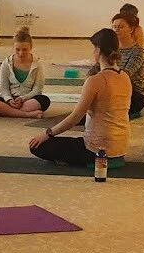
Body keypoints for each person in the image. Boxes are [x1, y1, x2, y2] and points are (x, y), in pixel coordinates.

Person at [28, 29, 130, 166]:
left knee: (37, 146)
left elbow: (75, 118)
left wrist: (47, 133)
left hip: (95, 149)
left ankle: (73, 161)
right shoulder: (125, 76)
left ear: (98, 50)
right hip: (121, 147)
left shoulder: (95, 80)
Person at [0, 27, 50, 118]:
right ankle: (26, 114)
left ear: (31, 48)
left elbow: (37, 89)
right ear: (13, 48)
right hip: (10, 101)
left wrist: (22, 98)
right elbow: (3, 88)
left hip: (28, 100)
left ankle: (7, 111)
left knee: (44, 100)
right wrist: (9, 100)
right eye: (17, 50)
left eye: (25, 50)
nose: (21, 53)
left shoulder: (37, 64)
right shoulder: (6, 63)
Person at [110, 12, 144, 116]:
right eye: (114, 27)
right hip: (114, 90)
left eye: (121, 27)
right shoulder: (111, 49)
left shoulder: (137, 51)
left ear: (131, 29)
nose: (117, 29)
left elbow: (125, 74)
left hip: (134, 95)